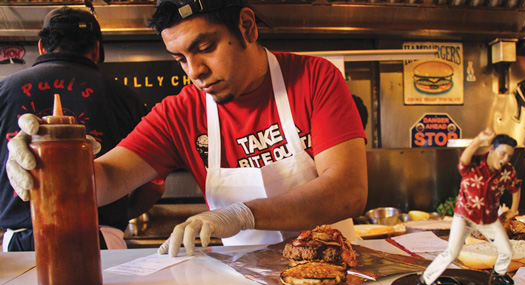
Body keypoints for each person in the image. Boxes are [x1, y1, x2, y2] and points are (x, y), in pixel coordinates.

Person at [7, 0, 368, 257]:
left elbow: (347, 190)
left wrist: (242, 214)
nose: (194, 71)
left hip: (336, 267)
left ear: (247, 26)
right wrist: (51, 159)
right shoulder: (180, 112)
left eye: (205, 48)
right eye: (181, 58)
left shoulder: (315, 78)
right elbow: (106, 181)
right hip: (246, 284)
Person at [0, 7, 164, 251]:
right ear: (97, 50)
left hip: (21, 242)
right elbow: (154, 181)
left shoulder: (4, 90)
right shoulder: (124, 96)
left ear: (42, 47)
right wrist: (120, 210)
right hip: (101, 238)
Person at [415, 129, 521, 285]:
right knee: (452, 252)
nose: (505, 159)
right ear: (492, 149)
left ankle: (499, 275)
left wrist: (513, 210)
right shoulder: (474, 164)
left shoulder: (507, 171)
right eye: (502, 153)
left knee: (506, 250)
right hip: (464, 216)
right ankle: (425, 280)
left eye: (509, 156)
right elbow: (464, 158)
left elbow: (515, 188)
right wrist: (479, 139)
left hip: (488, 219)